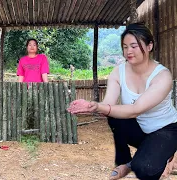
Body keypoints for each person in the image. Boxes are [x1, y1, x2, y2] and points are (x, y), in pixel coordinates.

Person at [67, 23, 177, 180]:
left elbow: (136, 109)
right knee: (114, 116)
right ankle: (125, 161)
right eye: (125, 47)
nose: (129, 51)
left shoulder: (162, 76)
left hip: (166, 130)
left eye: (134, 46)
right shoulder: (118, 72)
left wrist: (100, 107)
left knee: (144, 169)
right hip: (141, 129)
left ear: (149, 46)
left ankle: (146, 159)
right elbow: (108, 104)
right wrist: (93, 106)